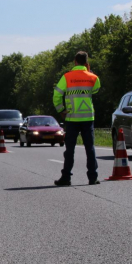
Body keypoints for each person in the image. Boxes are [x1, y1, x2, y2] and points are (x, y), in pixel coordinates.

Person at [52, 51, 101, 186]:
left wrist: (61, 110)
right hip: (87, 118)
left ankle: (66, 177)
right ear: (86, 63)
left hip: (72, 118)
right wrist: (89, 72)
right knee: (90, 148)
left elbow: (56, 94)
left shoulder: (67, 77)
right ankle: (93, 177)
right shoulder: (93, 77)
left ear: (75, 62)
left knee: (70, 149)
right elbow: (96, 90)